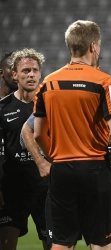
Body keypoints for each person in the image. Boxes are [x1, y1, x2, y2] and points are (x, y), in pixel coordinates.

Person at [33, 20, 111, 250]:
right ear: (93, 46)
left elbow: (37, 135)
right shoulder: (104, 81)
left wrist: (54, 158)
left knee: (61, 243)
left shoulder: (47, 83)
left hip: (62, 172)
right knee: (102, 242)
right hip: (96, 169)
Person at [0, 48, 49, 250]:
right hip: (12, 188)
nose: (31, 75)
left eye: (35, 70)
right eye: (26, 70)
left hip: (45, 187)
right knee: (6, 244)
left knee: (54, 244)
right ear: (14, 75)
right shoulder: (2, 108)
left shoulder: (50, 104)